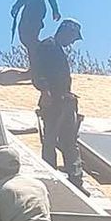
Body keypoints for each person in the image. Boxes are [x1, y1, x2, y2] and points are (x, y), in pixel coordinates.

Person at [29, 17, 85, 186]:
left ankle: (75, 178)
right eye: (72, 37)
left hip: (65, 101)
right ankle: (50, 176)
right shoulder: (48, 46)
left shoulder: (57, 49)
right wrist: (45, 92)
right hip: (53, 102)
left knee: (70, 141)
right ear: (65, 32)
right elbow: (38, 72)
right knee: (50, 140)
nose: (72, 42)